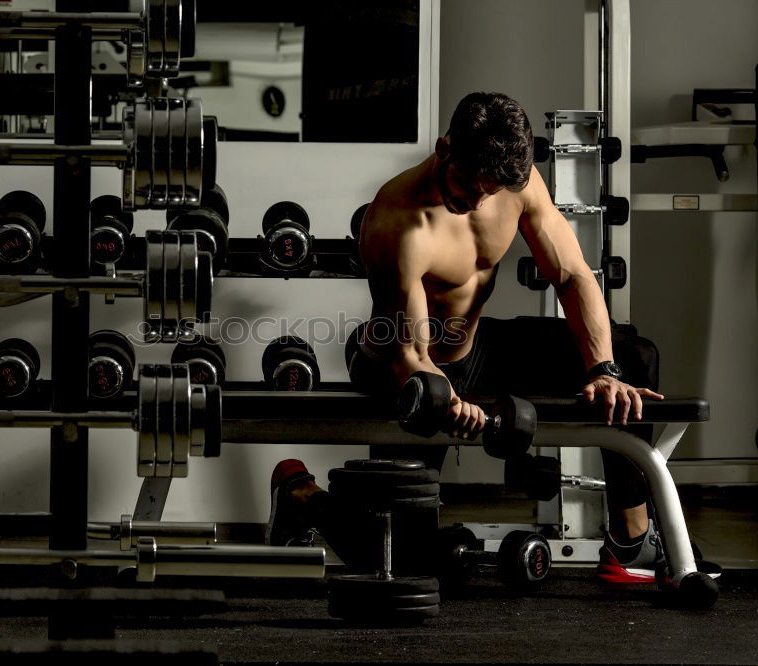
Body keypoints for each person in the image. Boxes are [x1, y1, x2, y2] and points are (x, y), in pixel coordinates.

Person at [269, 92, 697, 584]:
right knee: (398, 563)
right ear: (444, 147)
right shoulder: (396, 221)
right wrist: (443, 394)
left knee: (633, 358)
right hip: (399, 362)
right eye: (467, 185)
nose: (475, 201)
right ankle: (300, 493)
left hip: (475, 349)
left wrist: (602, 370)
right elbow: (410, 353)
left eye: (488, 192)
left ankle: (629, 542)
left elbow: (574, 275)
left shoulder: (515, 182)